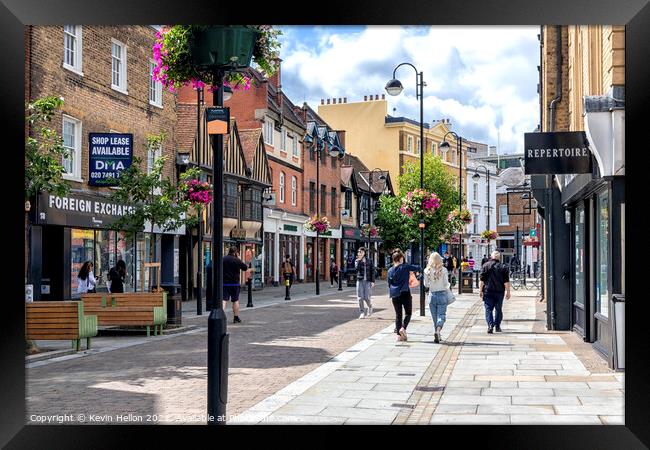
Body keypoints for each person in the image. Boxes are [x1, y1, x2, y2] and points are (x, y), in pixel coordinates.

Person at [387, 249, 421, 342]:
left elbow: (389, 283)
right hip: (405, 292)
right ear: (401, 258)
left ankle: (398, 336)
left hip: (395, 295)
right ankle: (403, 328)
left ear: (393, 259)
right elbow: (418, 268)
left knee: (398, 315)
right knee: (408, 313)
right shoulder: (405, 267)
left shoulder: (390, 270)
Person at [479, 250, 511, 333]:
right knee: (498, 309)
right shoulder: (503, 266)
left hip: (488, 291)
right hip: (499, 292)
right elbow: (506, 281)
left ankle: (490, 325)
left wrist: (480, 291)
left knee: (488, 309)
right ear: (499, 258)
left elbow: (482, 280)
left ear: (491, 257)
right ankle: (497, 326)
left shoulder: (485, 266)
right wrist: (508, 292)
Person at [423, 252, 450, 344]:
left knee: (434, 316)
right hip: (442, 294)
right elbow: (446, 283)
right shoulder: (444, 270)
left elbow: (426, 284)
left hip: (432, 295)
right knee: (441, 315)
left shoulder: (426, 270)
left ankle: (437, 333)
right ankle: (438, 331)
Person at [223, 247, 249, 324]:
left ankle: (222, 317)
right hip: (234, 283)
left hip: (224, 283)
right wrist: (239, 259)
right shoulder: (236, 260)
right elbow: (245, 268)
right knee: (235, 300)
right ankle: (236, 317)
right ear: (235, 253)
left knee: (224, 300)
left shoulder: (223, 259)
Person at [355, 247, 375, 319]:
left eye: (361, 252)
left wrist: (373, 281)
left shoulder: (369, 261)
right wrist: (359, 261)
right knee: (360, 297)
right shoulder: (357, 261)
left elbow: (372, 271)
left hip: (367, 281)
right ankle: (362, 312)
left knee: (366, 297)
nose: (359, 253)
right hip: (359, 280)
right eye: (358, 252)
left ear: (364, 252)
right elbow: (356, 269)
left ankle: (370, 306)